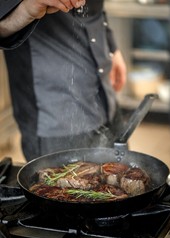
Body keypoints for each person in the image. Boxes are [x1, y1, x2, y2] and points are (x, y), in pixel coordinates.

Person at [0, 0, 127, 161]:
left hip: (106, 95)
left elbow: (95, 8)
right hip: (56, 115)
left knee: (122, 174)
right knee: (56, 184)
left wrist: (112, 46)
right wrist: (25, 8)